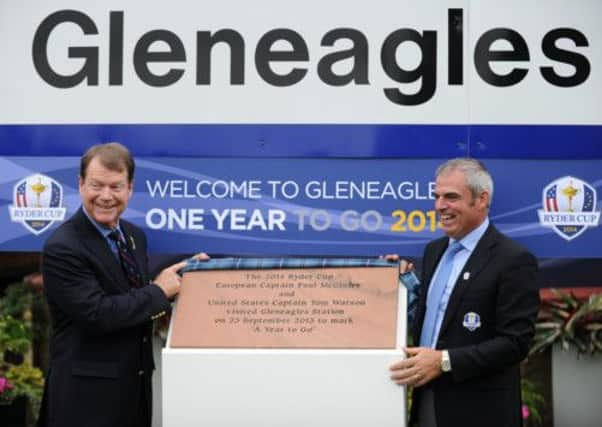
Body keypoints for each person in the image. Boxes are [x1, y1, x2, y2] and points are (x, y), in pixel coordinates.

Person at [38, 142, 207, 427]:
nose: (106, 196)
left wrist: (186, 279)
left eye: (116, 187)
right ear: (80, 184)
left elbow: (131, 297)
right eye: (97, 185)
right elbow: (98, 313)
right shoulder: (62, 247)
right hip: (85, 402)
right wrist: (158, 291)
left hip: (134, 391)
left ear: (130, 189)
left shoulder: (133, 236)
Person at [389, 158, 540, 427]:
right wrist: (396, 281)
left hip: (480, 412)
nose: (439, 206)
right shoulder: (434, 251)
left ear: (481, 200)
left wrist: (444, 361)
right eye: (436, 197)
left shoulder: (513, 259)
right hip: (427, 404)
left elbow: (516, 343)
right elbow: (435, 321)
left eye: (451, 197)